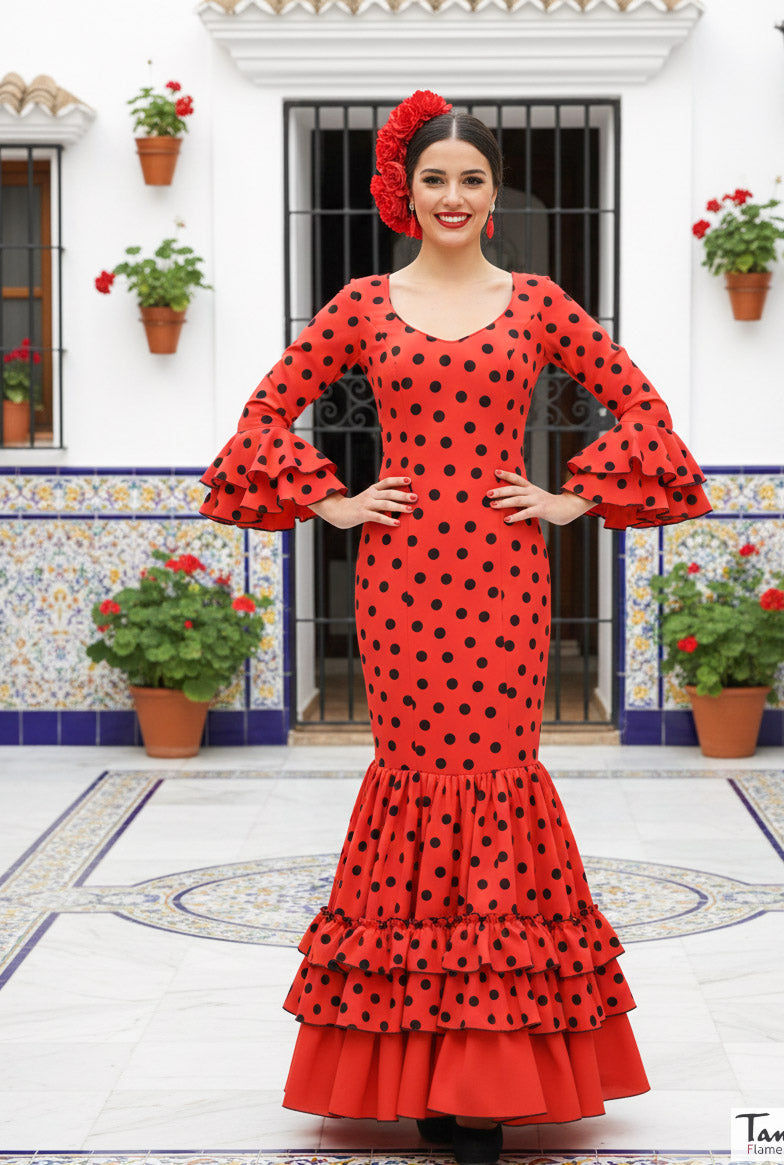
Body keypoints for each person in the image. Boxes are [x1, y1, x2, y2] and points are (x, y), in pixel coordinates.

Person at [199, 90, 712, 1165]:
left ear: (494, 195)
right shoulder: (360, 304)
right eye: (435, 178)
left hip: (503, 579)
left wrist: (570, 497)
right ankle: (420, 1064)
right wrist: (334, 500)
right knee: (413, 780)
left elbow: (645, 414)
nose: (453, 195)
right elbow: (260, 418)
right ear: (406, 190)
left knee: (495, 781)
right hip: (396, 583)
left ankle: (486, 1077)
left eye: (472, 178)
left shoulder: (536, 303)